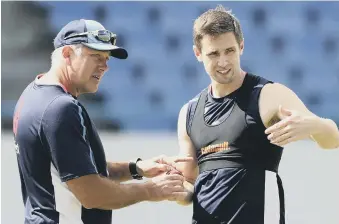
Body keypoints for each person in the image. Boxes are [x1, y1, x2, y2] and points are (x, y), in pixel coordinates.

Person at [13, 19, 191, 224]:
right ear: (67, 54)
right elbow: (91, 194)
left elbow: (76, 166)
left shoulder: (33, 93)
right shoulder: (61, 108)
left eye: (106, 58)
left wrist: (136, 168)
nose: (104, 66)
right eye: (95, 56)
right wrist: (152, 190)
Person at [172, 5, 339, 224]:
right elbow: (189, 186)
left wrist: (314, 126)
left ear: (241, 46)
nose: (223, 62)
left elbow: (333, 139)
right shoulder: (189, 113)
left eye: (229, 51)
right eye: (213, 54)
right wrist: (173, 190)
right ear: (198, 54)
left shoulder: (267, 95)